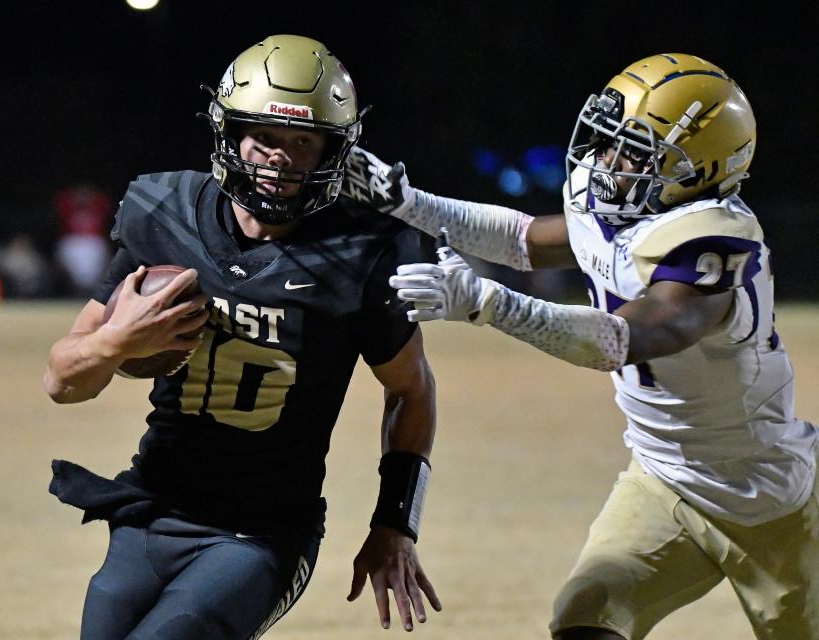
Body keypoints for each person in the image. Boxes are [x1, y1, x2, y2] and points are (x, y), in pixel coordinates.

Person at [342, 53, 819, 640]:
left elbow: (625, 338)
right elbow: (521, 239)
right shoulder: (633, 209)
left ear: (698, 171)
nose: (606, 160)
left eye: (635, 150)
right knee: (584, 623)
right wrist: (408, 203)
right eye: (609, 140)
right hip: (663, 478)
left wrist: (489, 305)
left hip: (769, 494)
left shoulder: (711, 237)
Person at [43, 34, 441, 640]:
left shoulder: (362, 250)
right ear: (230, 136)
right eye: (265, 138)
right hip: (153, 510)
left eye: (303, 141)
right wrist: (115, 344)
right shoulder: (165, 212)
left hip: (260, 534)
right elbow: (61, 382)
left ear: (334, 151)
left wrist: (395, 523)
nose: (280, 157)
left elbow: (411, 389)